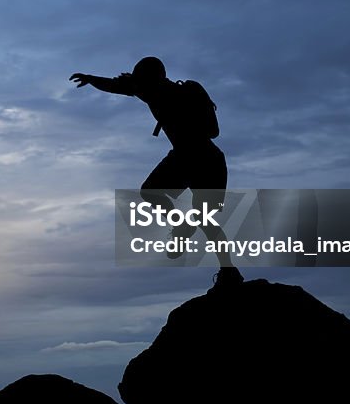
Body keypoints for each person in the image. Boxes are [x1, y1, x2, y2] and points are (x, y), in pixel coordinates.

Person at [70, 56, 242, 289]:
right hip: (186, 157)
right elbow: (116, 85)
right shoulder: (149, 89)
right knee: (152, 193)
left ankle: (228, 270)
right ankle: (184, 228)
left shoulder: (173, 92)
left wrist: (93, 79)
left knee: (204, 219)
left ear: (154, 78)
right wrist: (91, 79)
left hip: (205, 159)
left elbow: (213, 132)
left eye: (143, 80)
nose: (140, 85)